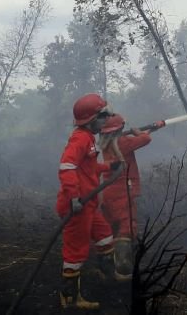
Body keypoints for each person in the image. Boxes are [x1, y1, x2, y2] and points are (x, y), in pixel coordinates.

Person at [56, 93, 120, 309]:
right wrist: (74, 197)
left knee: (104, 236)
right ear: (91, 119)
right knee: (76, 252)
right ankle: (70, 299)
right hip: (77, 206)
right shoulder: (80, 138)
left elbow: (89, 168)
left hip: (88, 204)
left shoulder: (89, 139)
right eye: (103, 117)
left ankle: (107, 275)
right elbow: (66, 166)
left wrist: (109, 167)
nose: (106, 121)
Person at [98, 113, 152, 281]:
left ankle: (103, 268)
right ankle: (123, 271)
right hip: (123, 192)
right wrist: (139, 133)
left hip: (108, 192)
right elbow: (145, 140)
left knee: (108, 228)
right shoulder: (123, 142)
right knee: (125, 229)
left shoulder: (105, 143)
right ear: (119, 130)